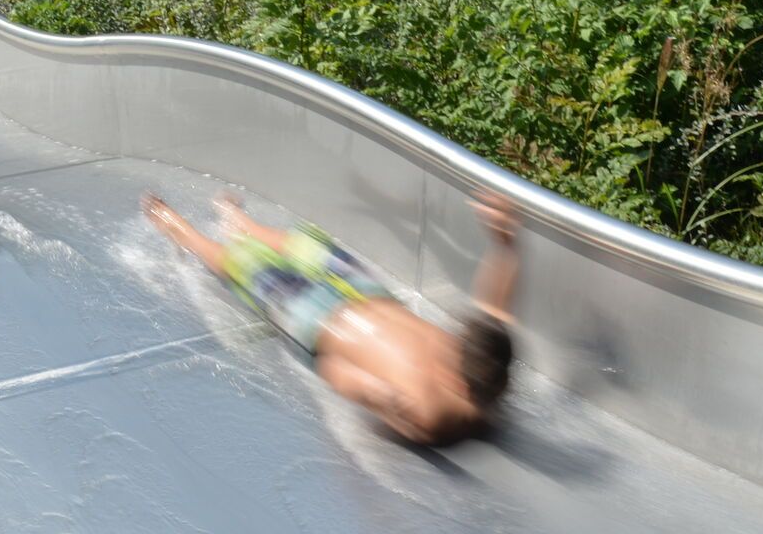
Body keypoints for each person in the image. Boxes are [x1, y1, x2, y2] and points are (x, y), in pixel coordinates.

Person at [142, 189, 519, 446]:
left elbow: (335, 370)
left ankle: (185, 234)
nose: (449, 341)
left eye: (453, 349)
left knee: (245, 267)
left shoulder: (429, 412)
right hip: (368, 291)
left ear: (455, 380)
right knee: (310, 248)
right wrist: (504, 244)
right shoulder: (484, 359)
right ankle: (244, 225)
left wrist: (376, 396)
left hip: (318, 318)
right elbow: (493, 307)